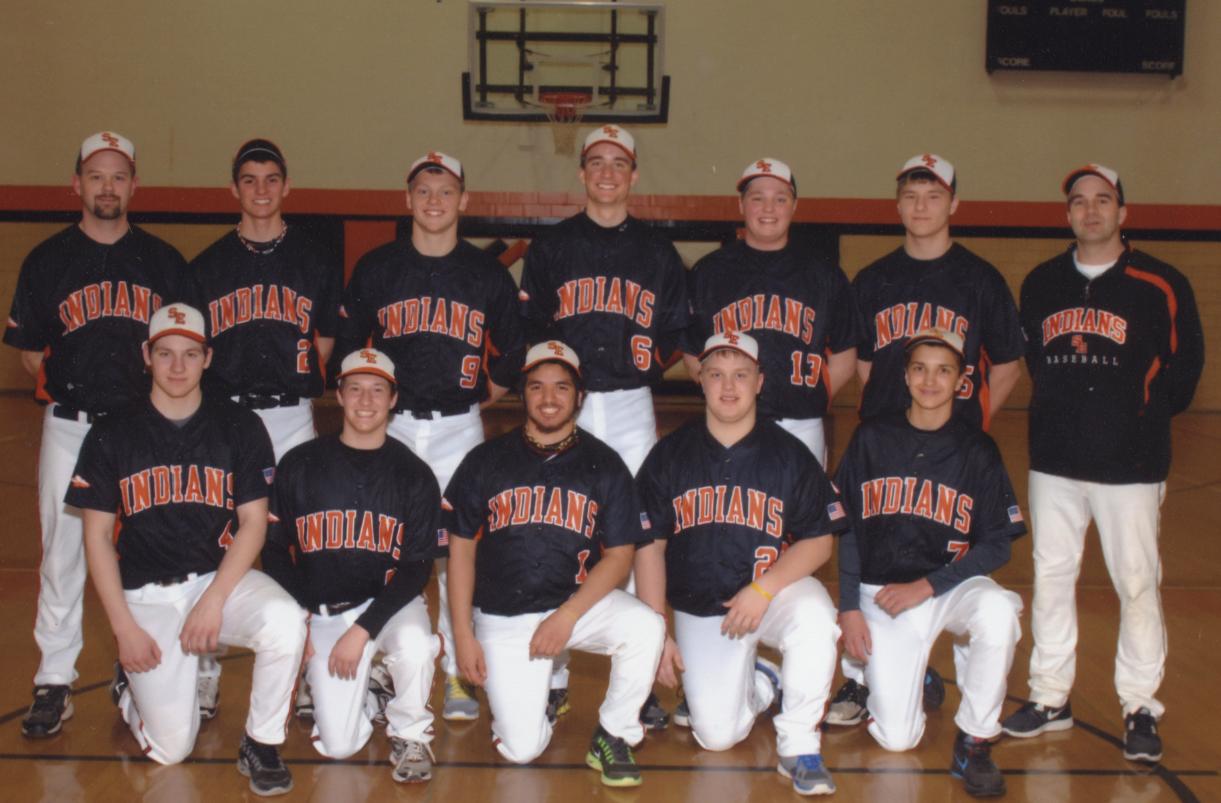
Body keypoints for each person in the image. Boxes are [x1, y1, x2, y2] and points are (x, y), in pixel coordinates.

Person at [1002, 164, 1204, 763]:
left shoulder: (1161, 283)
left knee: (1137, 582)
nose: (1090, 211)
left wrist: (1134, 416)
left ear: (1123, 212)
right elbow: (1037, 360)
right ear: (1066, 214)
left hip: (1131, 462)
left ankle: (1140, 704)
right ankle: (1049, 696)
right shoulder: (1041, 282)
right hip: (1055, 460)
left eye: (1103, 201)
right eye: (1079, 202)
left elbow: (1184, 368)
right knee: (1052, 576)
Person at [66, 303, 306, 796]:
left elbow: (253, 524)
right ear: (146, 356)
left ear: (207, 357)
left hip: (215, 582)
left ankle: (261, 742)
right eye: (166, 353)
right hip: (146, 595)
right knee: (172, 750)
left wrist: (213, 601)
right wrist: (123, 631)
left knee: (285, 618)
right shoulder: (112, 432)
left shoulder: (239, 425)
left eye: (190, 354)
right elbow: (96, 538)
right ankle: (130, 691)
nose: (178, 367)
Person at [4, 131, 193, 738]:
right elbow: (29, 354)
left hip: (144, 430)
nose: (107, 186)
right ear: (77, 184)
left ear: (134, 185)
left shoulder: (164, 261)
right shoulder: (46, 260)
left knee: (145, 548)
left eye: (118, 176)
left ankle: (130, 665)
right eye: (96, 175)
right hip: (73, 426)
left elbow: (184, 349)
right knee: (63, 556)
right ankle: (54, 681)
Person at [830, 153, 1025, 727]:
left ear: (953, 204)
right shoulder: (873, 278)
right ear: (897, 206)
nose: (921, 207)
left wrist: (970, 428)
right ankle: (878, 675)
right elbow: (866, 365)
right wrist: (894, 412)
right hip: (886, 444)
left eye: (933, 196)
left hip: (952, 447)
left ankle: (964, 692)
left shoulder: (980, 278)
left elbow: (1008, 365)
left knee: (954, 564)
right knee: (875, 552)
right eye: (911, 196)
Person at [332, 150, 526, 721]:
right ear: (407, 198)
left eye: (445, 191)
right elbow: (349, 351)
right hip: (387, 426)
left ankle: (456, 674)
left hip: (458, 426)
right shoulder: (376, 268)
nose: (434, 201)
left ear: (463, 200)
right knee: (381, 540)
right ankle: (387, 661)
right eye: (423, 190)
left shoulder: (487, 274)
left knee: (456, 552)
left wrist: (479, 394)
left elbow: (512, 355)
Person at [519, 123, 689, 727]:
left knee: (640, 531)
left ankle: (641, 680)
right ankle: (550, 671)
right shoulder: (553, 247)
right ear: (583, 172)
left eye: (620, 162)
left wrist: (651, 359)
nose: (609, 171)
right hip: (567, 402)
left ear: (634, 174)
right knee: (557, 525)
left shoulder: (657, 252)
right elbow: (531, 327)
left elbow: (673, 331)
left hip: (631, 400)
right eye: (597, 161)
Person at [635, 331, 847, 796]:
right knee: (716, 738)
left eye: (740, 375)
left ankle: (799, 746)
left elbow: (819, 542)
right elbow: (648, 546)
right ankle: (763, 679)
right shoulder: (670, 454)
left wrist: (763, 589)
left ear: (759, 382)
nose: (728, 387)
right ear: (700, 381)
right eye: (716, 375)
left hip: (772, 594)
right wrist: (656, 630)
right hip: (703, 607)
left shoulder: (789, 454)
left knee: (815, 617)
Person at [444, 341, 665, 787]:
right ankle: (536, 692)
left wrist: (567, 616)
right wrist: (463, 635)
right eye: (537, 387)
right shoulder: (485, 460)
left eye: (562, 387)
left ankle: (614, 732)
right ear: (522, 394)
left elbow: (621, 556)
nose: (549, 398)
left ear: (579, 396)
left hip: (574, 608)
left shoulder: (605, 463)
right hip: (505, 613)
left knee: (646, 626)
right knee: (522, 751)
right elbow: (460, 551)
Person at [834, 328, 1026, 798]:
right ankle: (913, 670)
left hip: (946, 588)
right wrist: (849, 606)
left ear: (962, 381)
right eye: (920, 368)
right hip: (882, 594)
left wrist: (929, 584)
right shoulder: (872, 439)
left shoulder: (977, 450)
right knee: (898, 740)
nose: (930, 380)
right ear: (905, 375)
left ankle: (976, 740)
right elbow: (846, 529)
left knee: (999, 611)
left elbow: (998, 544)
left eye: (943, 370)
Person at [190, 137, 341, 718]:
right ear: (234, 188)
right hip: (224, 416)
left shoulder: (314, 261)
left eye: (271, 179)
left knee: (296, 542)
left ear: (286, 186)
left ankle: (302, 669)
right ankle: (203, 670)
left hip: (289, 413)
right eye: (248, 180)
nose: (260, 190)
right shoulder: (206, 267)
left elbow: (323, 344)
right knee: (215, 539)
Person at [262, 348, 444, 783]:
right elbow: (272, 551)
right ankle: (371, 692)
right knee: (341, 747)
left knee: (417, 645)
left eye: (378, 390)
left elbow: (418, 568)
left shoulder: (414, 474)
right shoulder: (299, 464)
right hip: (323, 609)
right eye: (355, 389)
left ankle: (410, 730)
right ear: (339, 395)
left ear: (393, 398)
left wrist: (362, 631)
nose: (366, 400)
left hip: (389, 605)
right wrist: (301, 617)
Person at [683, 158, 861, 466]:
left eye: (780, 199)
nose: (768, 209)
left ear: (794, 206)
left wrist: (810, 394)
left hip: (801, 424)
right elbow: (690, 352)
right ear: (741, 205)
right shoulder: (709, 271)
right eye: (757, 198)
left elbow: (845, 355)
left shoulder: (823, 274)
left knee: (802, 513)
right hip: (729, 425)